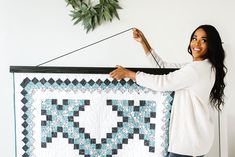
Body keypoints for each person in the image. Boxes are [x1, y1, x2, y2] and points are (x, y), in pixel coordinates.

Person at [109, 25, 227, 157]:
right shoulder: (203, 67)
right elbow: (163, 67)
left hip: (187, 144)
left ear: (211, 45)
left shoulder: (196, 70)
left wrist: (129, 74)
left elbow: (162, 83)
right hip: (196, 141)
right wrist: (144, 42)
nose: (197, 43)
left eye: (204, 40)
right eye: (194, 38)